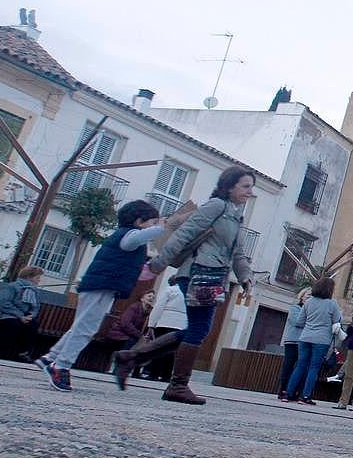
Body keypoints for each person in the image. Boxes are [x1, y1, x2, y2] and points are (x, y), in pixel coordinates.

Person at [137, 166, 256, 405]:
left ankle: (133, 357)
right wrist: (157, 265)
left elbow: (238, 252)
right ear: (229, 186)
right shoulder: (216, 206)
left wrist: (245, 276)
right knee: (200, 329)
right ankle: (176, 384)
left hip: (213, 276)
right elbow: (183, 234)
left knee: (198, 328)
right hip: (197, 273)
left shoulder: (234, 215)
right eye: (245, 186)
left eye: (251, 187)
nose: (249, 192)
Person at [37, 200, 162, 392]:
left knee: (81, 326)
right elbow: (139, 238)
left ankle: (51, 358)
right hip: (102, 286)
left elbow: (137, 269)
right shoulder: (130, 236)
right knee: (86, 329)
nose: (154, 227)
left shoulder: (128, 240)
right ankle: (61, 366)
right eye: (152, 222)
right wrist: (164, 226)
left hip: (99, 286)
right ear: (139, 222)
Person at [285, 277, 343, 405]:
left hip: (305, 337)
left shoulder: (309, 302)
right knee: (314, 368)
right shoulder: (332, 304)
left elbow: (300, 321)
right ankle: (305, 396)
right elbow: (337, 321)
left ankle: (288, 394)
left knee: (300, 366)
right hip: (321, 339)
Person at [140, 276, 187, 381]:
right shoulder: (187, 292)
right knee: (171, 351)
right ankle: (167, 375)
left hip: (165, 321)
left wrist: (151, 324)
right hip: (180, 324)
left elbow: (159, 307)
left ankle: (154, 374)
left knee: (159, 348)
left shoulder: (170, 290)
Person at [0, 266, 43, 362]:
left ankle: (23, 353)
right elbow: (3, 303)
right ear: (29, 277)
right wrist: (20, 316)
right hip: (4, 313)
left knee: (33, 325)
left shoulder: (34, 290)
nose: (39, 280)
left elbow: (36, 306)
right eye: (38, 278)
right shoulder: (13, 286)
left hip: (23, 316)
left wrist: (31, 315)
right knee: (13, 324)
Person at [277, 287, 310, 401]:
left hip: (304, 342)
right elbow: (296, 322)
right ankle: (283, 389)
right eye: (307, 296)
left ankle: (294, 391)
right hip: (292, 341)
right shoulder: (295, 308)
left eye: (311, 296)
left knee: (300, 367)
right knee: (288, 365)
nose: (309, 298)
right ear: (302, 297)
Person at [104, 289, 155, 356]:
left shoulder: (149, 312)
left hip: (131, 335)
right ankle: (119, 361)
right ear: (142, 298)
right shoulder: (134, 307)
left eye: (153, 297)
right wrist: (139, 335)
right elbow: (125, 324)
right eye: (149, 296)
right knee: (133, 342)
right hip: (119, 334)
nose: (151, 298)